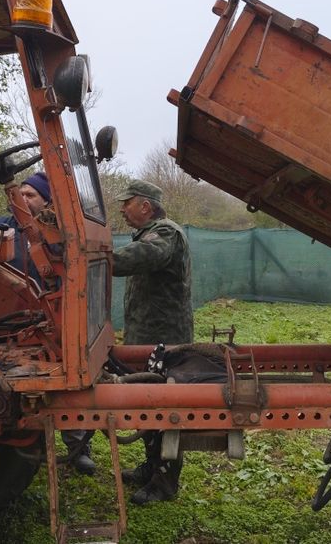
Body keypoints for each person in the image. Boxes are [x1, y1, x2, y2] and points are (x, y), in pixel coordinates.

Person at [0, 172, 96, 475]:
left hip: (52, 313)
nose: (22, 200)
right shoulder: (5, 226)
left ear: (46, 201)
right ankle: (26, 438)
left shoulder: (57, 232)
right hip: (12, 317)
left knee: (66, 378)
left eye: (30, 196)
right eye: (20, 194)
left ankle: (78, 448)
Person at [112, 179, 193, 504]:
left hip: (165, 340)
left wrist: (100, 257)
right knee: (148, 405)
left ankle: (165, 482)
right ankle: (151, 467)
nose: (121, 208)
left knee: (165, 409)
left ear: (145, 206)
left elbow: (147, 256)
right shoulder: (151, 231)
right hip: (148, 337)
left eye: (126, 202)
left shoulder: (166, 233)